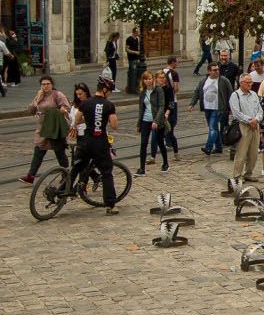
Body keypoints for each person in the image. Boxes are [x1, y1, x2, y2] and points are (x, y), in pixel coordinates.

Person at [71, 77, 121, 214]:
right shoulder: (108, 105)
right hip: (99, 142)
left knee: (77, 166)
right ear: (105, 90)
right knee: (106, 172)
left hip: (85, 140)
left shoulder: (86, 103)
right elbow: (115, 125)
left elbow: (77, 118)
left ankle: (66, 190)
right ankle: (110, 205)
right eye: (109, 91)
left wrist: (85, 120)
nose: (109, 93)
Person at [19, 76, 72, 184]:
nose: (45, 86)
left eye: (47, 84)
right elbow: (31, 110)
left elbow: (67, 108)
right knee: (39, 150)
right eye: (43, 84)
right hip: (42, 128)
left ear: (52, 84)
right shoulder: (39, 95)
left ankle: (66, 174)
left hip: (55, 127)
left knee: (59, 151)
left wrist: (62, 110)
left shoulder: (58, 95)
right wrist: (36, 100)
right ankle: (31, 176)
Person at [228, 74, 264, 180]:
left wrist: (256, 119)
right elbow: (236, 113)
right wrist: (249, 120)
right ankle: (237, 175)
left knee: (253, 153)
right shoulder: (235, 95)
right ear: (241, 83)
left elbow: (260, 110)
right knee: (242, 152)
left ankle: (248, 173)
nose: (250, 84)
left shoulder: (253, 94)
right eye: (248, 82)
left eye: (251, 82)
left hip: (255, 126)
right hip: (243, 126)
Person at [190, 63, 231, 155]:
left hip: (218, 108)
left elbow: (230, 93)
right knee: (214, 128)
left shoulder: (223, 80)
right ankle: (219, 147)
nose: (217, 71)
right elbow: (197, 92)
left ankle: (208, 147)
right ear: (209, 71)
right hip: (207, 108)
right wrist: (192, 103)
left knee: (212, 128)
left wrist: (230, 107)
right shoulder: (204, 81)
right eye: (214, 70)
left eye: (217, 69)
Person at [133, 71, 167, 176]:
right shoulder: (142, 92)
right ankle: (142, 168)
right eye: (146, 79)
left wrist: (156, 121)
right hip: (145, 120)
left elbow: (162, 106)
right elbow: (140, 108)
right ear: (143, 81)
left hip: (157, 120)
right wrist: (139, 124)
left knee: (160, 141)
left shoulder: (158, 90)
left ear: (153, 79)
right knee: (143, 144)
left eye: (150, 78)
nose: (148, 81)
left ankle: (166, 163)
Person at [160, 57, 182, 160]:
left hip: (161, 101)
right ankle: (169, 141)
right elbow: (176, 89)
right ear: (173, 63)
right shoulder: (174, 73)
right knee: (172, 123)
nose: (178, 63)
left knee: (163, 121)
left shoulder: (161, 71)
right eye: (177, 62)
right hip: (172, 101)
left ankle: (166, 140)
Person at [124, 28, 143, 94]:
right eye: (137, 32)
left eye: (138, 31)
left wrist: (139, 52)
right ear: (134, 32)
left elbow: (138, 47)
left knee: (137, 73)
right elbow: (126, 49)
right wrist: (135, 52)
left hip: (137, 58)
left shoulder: (138, 39)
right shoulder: (129, 39)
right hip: (131, 59)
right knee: (132, 73)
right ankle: (131, 88)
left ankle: (136, 87)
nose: (138, 33)